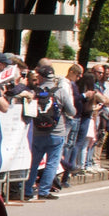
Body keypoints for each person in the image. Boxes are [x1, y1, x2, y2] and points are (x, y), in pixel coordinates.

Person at [25, 63, 74, 201]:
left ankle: (28, 190)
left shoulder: (34, 92)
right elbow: (72, 111)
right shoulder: (60, 91)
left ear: (40, 76)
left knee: (34, 162)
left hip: (38, 132)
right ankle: (44, 190)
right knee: (52, 162)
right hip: (57, 132)